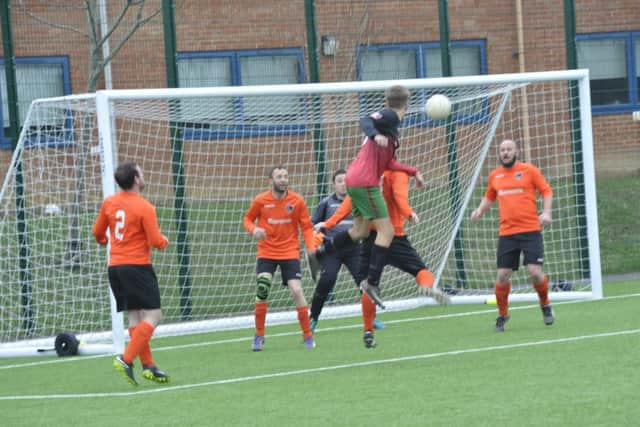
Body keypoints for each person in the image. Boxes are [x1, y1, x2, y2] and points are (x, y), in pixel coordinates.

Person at [308, 85, 425, 319]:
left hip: (357, 179)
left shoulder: (392, 127)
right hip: (365, 182)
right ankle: (371, 282)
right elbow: (365, 120)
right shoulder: (389, 116)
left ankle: (320, 252)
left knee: (360, 231)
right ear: (407, 105)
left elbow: (389, 163)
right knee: (387, 231)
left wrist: (413, 171)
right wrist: (375, 135)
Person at [319, 169, 449, 347]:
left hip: (372, 239)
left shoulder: (365, 176)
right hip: (395, 237)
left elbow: (347, 204)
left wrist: (328, 223)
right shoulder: (397, 174)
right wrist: (409, 213)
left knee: (367, 284)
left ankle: (368, 331)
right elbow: (399, 196)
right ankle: (426, 286)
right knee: (421, 270)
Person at [92, 161, 169, 386]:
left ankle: (149, 366)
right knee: (154, 316)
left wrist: (105, 240)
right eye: (141, 173)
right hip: (137, 267)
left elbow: (97, 232)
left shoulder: (109, 203)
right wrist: (165, 241)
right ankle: (126, 359)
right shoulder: (145, 207)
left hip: (115, 268)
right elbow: (156, 241)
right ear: (136, 179)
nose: (144, 176)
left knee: (135, 317)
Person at [470, 139, 555, 332]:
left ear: (517, 152)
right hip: (507, 234)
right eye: (502, 150)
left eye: (509, 149)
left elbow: (546, 190)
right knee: (502, 276)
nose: (505, 152)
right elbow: (490, 196)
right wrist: (479, 211)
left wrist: (547, 212)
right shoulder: (495, 176)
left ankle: (545, 304)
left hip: (530, 231)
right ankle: (502, 314)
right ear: (499, 154)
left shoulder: (529, 170)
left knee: (534, 272)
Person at [243, 166, 317, 351]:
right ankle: (259, 335)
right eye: (279, 177)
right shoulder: (261, 200)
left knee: (297, 291)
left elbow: (307, 227)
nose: (283, 179)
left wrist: (311, 248)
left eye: (285, 176)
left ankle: (308, 335)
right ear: (271, 181)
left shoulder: (297, 200)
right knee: (263, 288)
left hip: (289, 252)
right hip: (266, 252)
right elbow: (247, 219)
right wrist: (254, 230)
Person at [308, 169, 385, 333]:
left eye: (346, 181)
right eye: (339, 181)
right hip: (332, 249)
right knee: (327, 280)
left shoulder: (358, 201)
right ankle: (313, 318)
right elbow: (314, 224)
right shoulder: (326, 203)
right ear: (333, 184)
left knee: (365, 282)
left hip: (354, 248)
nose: (343, 184)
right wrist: (316, 237)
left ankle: (371, 319)